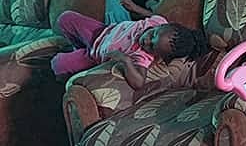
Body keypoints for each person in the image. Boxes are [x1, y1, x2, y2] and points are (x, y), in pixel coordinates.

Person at [50, 10, 207, 89]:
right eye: (153, 34)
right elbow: (152, 15)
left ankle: (68, 72)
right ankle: (77, 46)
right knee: (66, 18)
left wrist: (125, 61)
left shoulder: (143, 56)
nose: (146, 40)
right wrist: (134, 7)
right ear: (160, 25)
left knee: (58, 64)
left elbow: (139, 82)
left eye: (152, 46)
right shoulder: (157, 21)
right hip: (101, 31)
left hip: (93, 56)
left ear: (159, 55)